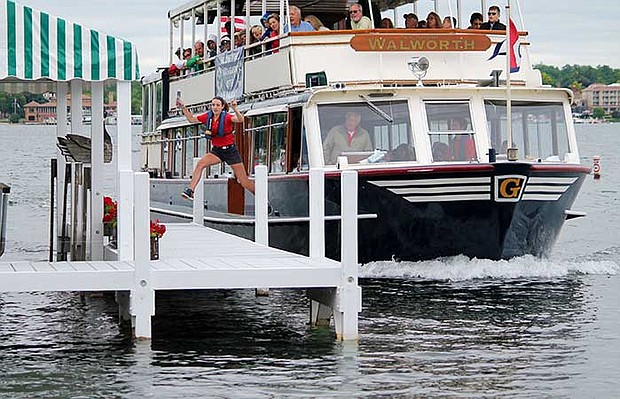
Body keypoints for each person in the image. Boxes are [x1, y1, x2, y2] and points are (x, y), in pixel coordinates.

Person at [177, 96, 255, 200]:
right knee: (200, 164)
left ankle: (262, 198)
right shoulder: (208, 117)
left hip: (230, 151)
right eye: (213, 105)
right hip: (217, 151)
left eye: (218, 105)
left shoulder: (226, 117)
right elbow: (191, 120)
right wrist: (183, 107)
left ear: (222, 107)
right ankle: (190, 190)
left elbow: (240, 120)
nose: (215, 107)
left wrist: (235, 108)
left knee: (244, 181)